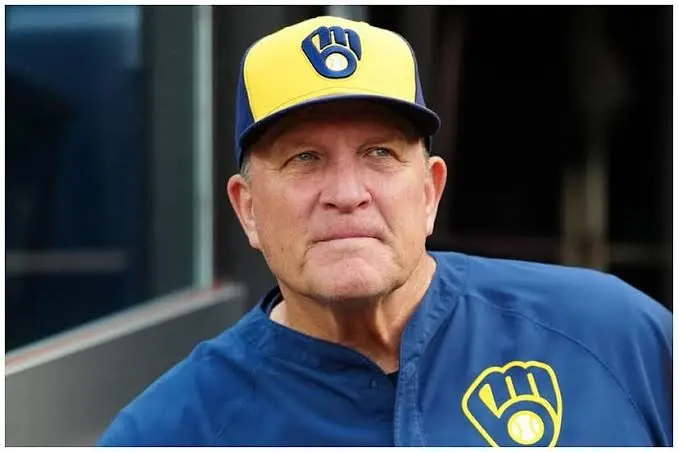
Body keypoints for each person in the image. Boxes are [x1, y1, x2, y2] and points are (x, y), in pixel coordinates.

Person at [98, 15, 672, 447]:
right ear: (247, 209)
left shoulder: (613, 334)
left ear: (429, 192)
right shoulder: (171, 431)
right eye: (304, 158)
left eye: (380, 153)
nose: (347, 193)